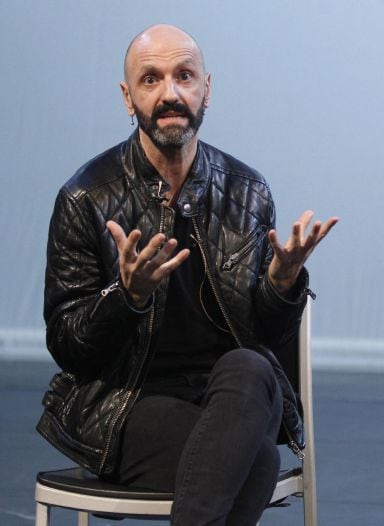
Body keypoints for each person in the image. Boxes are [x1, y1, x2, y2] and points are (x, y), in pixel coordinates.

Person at [37, 24, 338, 525]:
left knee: (251, 368)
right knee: (255, 460)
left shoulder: (247, 191)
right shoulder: (84, 198)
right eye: (151, 80)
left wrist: (282, 284)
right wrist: (126, 298)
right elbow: (67, 344)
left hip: (232, 393)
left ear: (207, 89)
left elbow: (266, 338)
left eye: (185, 76)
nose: (170, 94)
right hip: (126, 405)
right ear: (128, 97)